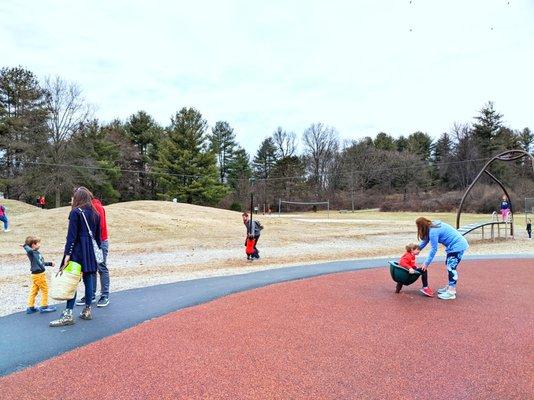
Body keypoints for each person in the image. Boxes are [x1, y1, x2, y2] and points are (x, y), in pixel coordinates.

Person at [49, 187, 101, 327]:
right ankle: (87, 310)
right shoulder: (96, 213)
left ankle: (68, 313)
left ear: (78, 197)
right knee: (89, 279)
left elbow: (71, 237)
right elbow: (98, 237)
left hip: (77, 250)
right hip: (90, 250)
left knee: (71, 279)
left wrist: (67, 254)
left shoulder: (75, 212)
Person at [416, 217, 469, 301]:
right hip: (455, 246)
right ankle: (449, 287)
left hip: (457, 246)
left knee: (451, 268)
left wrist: (426, 263)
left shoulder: (433, 231)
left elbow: (434, 249)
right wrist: (416, 250)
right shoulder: (432, 226)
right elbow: (425, 241)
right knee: (449, 265)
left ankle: (451, 292)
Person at [75, 189, 110, 307]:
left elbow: (100, 227)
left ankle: (105, 295)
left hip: (99, 242)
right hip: (90, 243)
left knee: (101, 267)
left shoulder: (96, 207)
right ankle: (91, 294)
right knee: (91, 268)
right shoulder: (84, 209)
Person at [22, 236, 57, 314]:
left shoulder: (37, 253)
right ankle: (44, 307)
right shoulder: (31, 253)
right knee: (45, 290)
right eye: (38, 243)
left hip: (36, 275)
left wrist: (50, 263)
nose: (40, 245)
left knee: (34, 291)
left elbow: (41, 263)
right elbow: (29, 250)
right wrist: (25, 246)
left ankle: (30, 307)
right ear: (33, 245)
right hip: (39, 275)